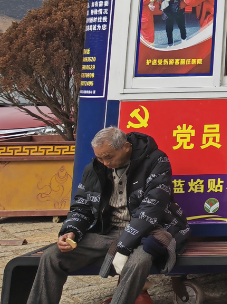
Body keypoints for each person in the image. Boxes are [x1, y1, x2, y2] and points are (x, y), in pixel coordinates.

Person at [27, 127, 189, 304]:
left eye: (109, 157)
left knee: (138, 262)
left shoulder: (156, 161)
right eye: (100, 158)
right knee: (52, 256)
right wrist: (70, 230)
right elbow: (82, 206)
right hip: (108, 232)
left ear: (126, 147)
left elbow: (152, 207)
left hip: (147, 232)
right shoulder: (94, 169)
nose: (104, 163)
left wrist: (123, 246)